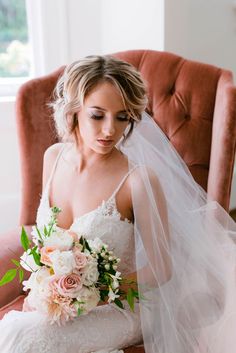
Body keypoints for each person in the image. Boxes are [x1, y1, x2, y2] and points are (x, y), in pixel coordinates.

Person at [0, 55, 236, 353]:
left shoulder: (138, 180)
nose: (110, 130)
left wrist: (96, 292)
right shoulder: (54, 157)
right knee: (16, 331)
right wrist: (51, 282)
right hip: (54, 303)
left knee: (24, 339)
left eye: (122, 117)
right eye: (97, 116)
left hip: (119, 309)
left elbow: (162, 269)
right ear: (75, 111)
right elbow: (45, 237)